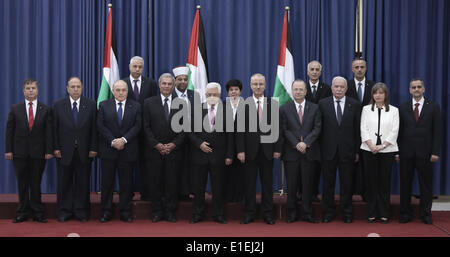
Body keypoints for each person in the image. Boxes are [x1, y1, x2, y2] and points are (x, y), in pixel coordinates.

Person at [5, 78, 53, 223]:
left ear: (37, 90)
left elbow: (49, 133)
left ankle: (38, 213)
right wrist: (8, 150)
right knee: (22, 183)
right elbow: (9, 131)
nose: (31, 90)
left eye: (33, 88)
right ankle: (22, 212)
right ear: (23, 91)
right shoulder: (15, 109)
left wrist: (49, 150)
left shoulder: (45, 109)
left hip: (39, 154)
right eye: (28, 88)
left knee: (36, 183)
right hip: (19, 154)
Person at [237, 73, 281, 225]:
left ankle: (268, 214)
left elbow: (278, 129)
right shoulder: (243, 104)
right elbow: (239, 130)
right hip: (249, 152)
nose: (258, 87)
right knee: (249, 185)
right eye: (255, 84)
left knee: (267, 185)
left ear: (265, 85)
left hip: (268, 151)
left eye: (260, 84)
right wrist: (240, 150)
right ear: (250, 86)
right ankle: (249, 213)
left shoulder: (273, 104)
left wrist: (277, 149)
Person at [188, 82, 234, 224]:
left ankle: (218, 214)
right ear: (205, 95)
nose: (212, 97)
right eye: (209, 94)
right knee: (198, 187)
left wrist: (229, 155)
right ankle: (197, 214)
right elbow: (189, 131)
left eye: (214, 94)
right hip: (199, 154)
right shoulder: (197, 109)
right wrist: (199, 143)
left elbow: (230, 135)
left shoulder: (227, 110)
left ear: (220, 95)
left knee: (218, 187)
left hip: (219, 156)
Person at [53, 77, 98, 222]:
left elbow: (94, 130)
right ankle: (64, 212)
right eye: (72, 87)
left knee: (83, 183)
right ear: (67, 88)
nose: (75, 89)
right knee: (64, 183)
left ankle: (81, 212)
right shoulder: (58, 105)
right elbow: (54, 129)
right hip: (64, 152)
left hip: (84, 152)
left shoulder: (90, 105)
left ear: (82, 87)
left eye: (78, 86)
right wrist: (56, 148)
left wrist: (93, 148)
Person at [398, 79, 441, 225]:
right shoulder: (402, 107)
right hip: (405, 153)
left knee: (426, 186)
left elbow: (437, 132)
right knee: (405, 185)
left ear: (423, 89)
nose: (416, 89)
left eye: (419, 87)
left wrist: (435, 152)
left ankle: (426, 214)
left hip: (426, 154)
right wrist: (397, 152)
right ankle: (405, 214)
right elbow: (398, 132)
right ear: (410, 90)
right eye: (413, 87)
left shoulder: (433, 107)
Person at [97, 80, 141, 222]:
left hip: (127, 150)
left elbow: (137, 126)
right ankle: (106, 211)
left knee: (126, 184)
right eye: (118, 90)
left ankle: (125, 211)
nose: (121, 92)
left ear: (127, 91)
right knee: (107, 183)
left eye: (123, 90)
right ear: (113, 91)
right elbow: (101, 126)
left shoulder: (136, 106)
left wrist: (124, 140)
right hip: (109, 151)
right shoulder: (104, 105)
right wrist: (113, 141)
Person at [143, 73, 184, 223]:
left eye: (169, 84)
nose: (166, 86)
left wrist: (173, 144)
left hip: (174, 151)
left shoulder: (181, 103)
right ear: (159, 85)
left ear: (173, 86)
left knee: (172, 183)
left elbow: (184, 129)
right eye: (164, 83)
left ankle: (170, 211)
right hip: (154, 151)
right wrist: (156, 144)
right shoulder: (148, 103)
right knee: (155, 183)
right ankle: (156, 211)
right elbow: (145, 127)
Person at [319, 76, 361, 223]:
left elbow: (357, 130)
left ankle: (347, 213)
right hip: (327, 151)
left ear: (346, 89)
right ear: (331, 87)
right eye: (336, 86)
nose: (338, 89)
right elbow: (319, 129)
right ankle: (328, 213)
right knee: (328, 184)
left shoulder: (355, 105)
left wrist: (356, 151)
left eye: (341, 87)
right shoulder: (322, 104)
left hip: (348, 152)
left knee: (347, 184)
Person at [280, 80, 321, 223]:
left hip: (309, 153)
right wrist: (296, 143)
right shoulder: (284, 108)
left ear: (306, 91)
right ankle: (291, 214)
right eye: (295, 89)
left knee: (307, 186)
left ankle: (307, 213)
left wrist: (306, 143)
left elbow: (317, 129)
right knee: (291, 186)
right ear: (292, 91)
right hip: (291, 153)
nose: (298, 92)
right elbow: (284, 129)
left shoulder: (315, 108)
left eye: (301, 89)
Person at [360, 83, 399, 224]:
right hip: (369, 150)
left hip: (387, 151)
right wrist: (371, 145)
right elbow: (363, 128)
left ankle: (384, 213)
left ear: (385, 95)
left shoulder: (394, 110)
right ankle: (371, 212)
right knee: (371, 182)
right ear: (372, 95)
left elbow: (395, 131)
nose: (378, 95)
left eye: (381, 93)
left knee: (384, 182)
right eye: (375, 93)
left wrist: (381, 146)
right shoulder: (366, 109)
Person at [123, 56, 157, 201]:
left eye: (140, 67)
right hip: (127, 131)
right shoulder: (122, 83)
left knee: (146, 164)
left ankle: (147, 193)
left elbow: (155, 105)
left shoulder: (150, 83)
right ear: (129, 66)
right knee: (127, 165)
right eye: (135, 66)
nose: (137, 69)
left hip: (146, 131)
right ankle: (127, 193)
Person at [346, 58, 375, 202]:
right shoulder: (346, 86)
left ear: (366, 68)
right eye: (356, 67)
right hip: (350, 133)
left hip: (370, 133)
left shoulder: (374, 86)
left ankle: (366, 193)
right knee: (349, 166)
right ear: (352, 69)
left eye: (362, 67)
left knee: (368, 166)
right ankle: (349, 193)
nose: (359, 69)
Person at [305, 60, 331, 202]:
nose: (314, 72)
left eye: (317, 70)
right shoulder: (301, 88)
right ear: (308, 72)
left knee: (317, 165)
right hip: (304, 133)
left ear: (320, 72)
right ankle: (301, 193)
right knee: (303, 165)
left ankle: (314, 192)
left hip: (321, 133)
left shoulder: (327, 88)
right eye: (312, 69)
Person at [172, 66, 196, 201]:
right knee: (175, 167)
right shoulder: (170, 95)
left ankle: (187, 192)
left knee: (190, 166)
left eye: (185, 79)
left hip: (192, 137)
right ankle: (175, 193)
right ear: (175, 81)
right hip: (175, 137)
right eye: (179, 79)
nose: (182, 82)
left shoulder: (194, 95)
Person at [224, 79, 245, 202]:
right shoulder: (221, 106)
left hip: (242, 147)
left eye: (236, 89)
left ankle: (239, 197)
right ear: (227, 92)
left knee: (240, 175)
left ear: (240, 91)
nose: (234, 92)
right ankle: (227, 197)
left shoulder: (247, 106)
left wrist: (242, 149)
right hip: (226, 147)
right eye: (231, 90)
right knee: (226, 174)